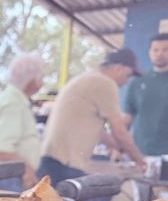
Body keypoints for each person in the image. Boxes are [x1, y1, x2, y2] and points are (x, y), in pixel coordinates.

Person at [38, 48, 146, 190]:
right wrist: (141, 162)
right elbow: (119, 131)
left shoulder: (86, 79)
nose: (126, 82)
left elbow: (99, 132)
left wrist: (117, 147)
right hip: (65, 163)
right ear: (118, 68)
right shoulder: (105, 83)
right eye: (127, 76)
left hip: (52, 158)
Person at [0, 53, 45, 192]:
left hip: (5, 175)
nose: (42, 83)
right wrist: (27, 168)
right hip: (9, 177)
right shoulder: (14, 104)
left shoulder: (7, 99)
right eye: (40, 78)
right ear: (31, 80)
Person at [123, 33, 168, 201]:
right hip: (141, 154)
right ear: (149, 52)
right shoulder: (137, 82)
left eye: (165, 49)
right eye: (156, 50)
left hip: (166, 155)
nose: (160, 53)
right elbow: (126, 118)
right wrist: (117, 147)